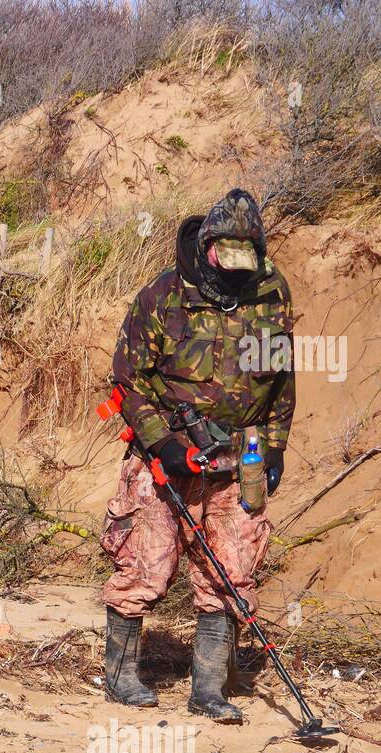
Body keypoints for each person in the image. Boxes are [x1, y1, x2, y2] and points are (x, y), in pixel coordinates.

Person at [100, 188, 294, 721]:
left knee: (232, 571)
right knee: (145, 564)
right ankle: (120, 678)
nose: (235, 267)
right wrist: (164, 442)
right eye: (226, 254)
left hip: (242, 454)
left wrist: (273, 450)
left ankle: (209, 689)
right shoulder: (163, 295)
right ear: (207, 246)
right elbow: (128, 379)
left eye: (245, 256)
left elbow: (280, 382)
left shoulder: (271, 292)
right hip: (167, 452)